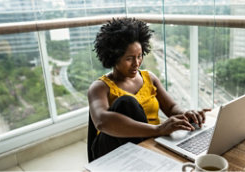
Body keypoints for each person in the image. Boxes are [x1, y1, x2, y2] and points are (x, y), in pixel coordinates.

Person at [87, 18, 210, 161]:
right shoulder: (100, 87)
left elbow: (171, 107)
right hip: (112, 148)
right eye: (129, 58)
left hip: (150, 141)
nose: (137, 63)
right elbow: (102, 121)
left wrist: (185, 115)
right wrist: (157, 130)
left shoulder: (149, 78)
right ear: (114, 58)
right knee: (126, 103)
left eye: (140, 56)